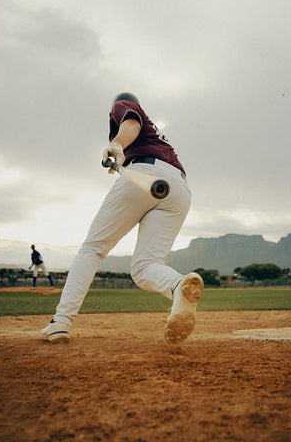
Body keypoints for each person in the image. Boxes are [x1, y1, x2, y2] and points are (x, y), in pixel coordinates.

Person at [42, 92, 203, 344]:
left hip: (144, 174)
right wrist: (120, 153)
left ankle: (60, 322)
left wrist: (116, 144)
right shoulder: (158, 137)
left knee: (92, 250)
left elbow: (131, 123)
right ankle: (177, 285)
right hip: (179, 189)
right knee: (144, 268)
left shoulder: (123, 105)